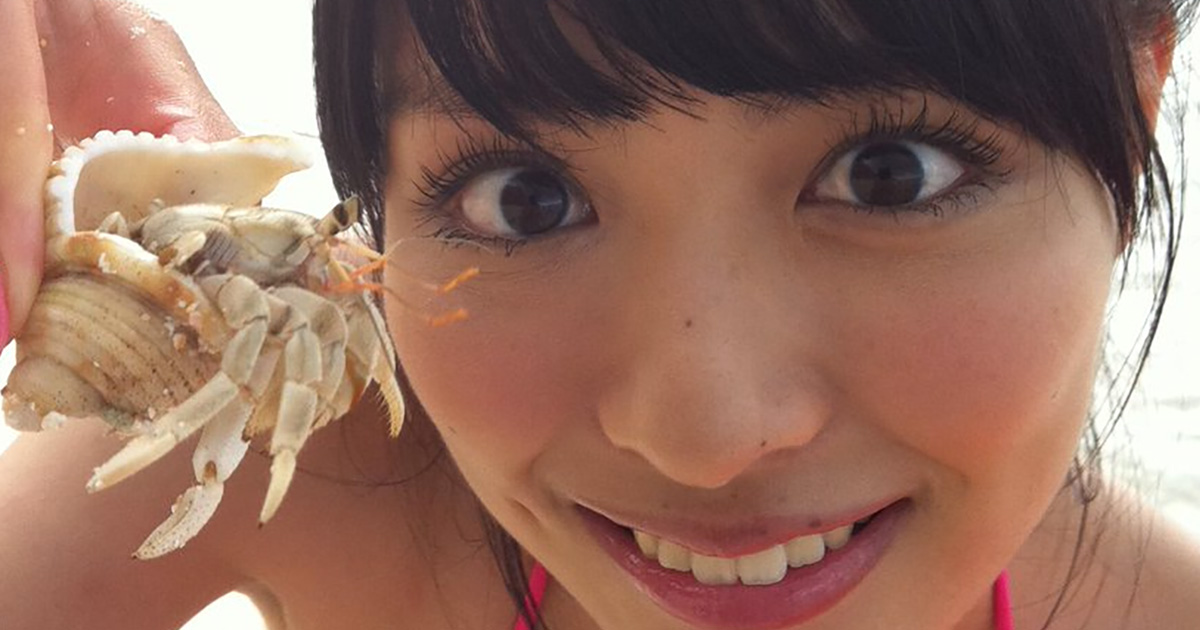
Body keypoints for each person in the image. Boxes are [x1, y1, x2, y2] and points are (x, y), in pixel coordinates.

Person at [2, 1, 1199, 628]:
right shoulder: (291, 453)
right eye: (524, 199)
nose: (705, 436)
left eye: (890, 176)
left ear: (1134, 101)